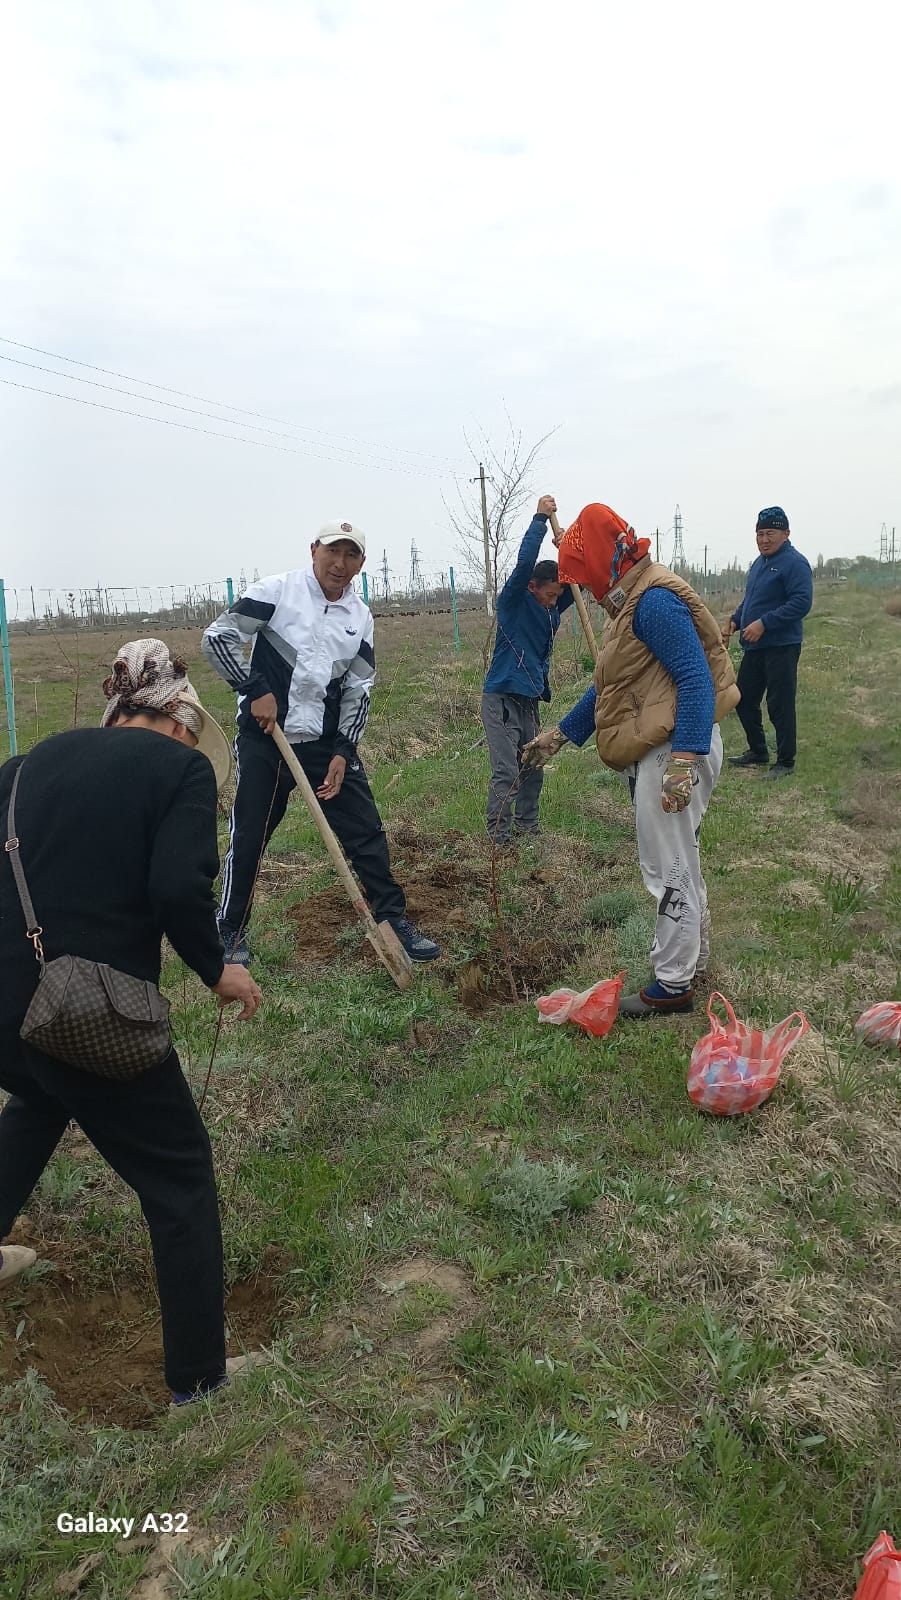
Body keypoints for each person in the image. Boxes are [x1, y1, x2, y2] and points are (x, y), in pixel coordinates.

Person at [0, 640, 262, 1407]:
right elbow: (178, 887)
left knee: (43, 1099)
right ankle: (199, 1382)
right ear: (181, 721)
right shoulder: (177, 770)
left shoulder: (21, 768)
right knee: (178, 1176)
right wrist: (216, 968)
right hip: (85, 1011)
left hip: (7, 1012)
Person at [522, 504, 739, 1017]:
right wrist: (560, 735)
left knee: (667, 869)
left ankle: (672, 984)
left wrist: (684, 761)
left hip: (673, 750)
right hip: (669, 747)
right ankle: (693, 962)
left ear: (602, 555)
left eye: (583, 566)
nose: (585, 584)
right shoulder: (633, 602)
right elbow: (610, 687)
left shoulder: (653, 604)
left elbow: (694, 679)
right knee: (681, 860)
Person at [202, 523, 439, 964]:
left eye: (351, 555)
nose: (340, 563)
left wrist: (343, 752)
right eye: (333, 551)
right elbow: (217, 637)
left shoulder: (359, 617)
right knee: (250, 835)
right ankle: (231, 930)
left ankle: (392, 922)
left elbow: (359, 688)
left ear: (361, 564)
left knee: (366, 833)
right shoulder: (277, 592)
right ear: (314, 550)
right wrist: (255, 689)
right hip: (267, 741)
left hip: (324, 747)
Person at [481, 494, 575, 845]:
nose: (553, 603)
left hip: (528, 702)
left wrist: (567, 550)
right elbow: (524, 565)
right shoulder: (514, 601)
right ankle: (499, 841)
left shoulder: (550, 610)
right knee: (507, 771)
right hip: (501, 698)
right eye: (548, 595)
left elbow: (575, 581)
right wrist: (539, 521)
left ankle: (528, 829)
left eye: (556, 597)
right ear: (533, 587)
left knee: (533, 766)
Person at [722, 506, 813, 780]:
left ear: (786, 533)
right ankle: (758, 751)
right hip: (755, 648)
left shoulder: (795, 563)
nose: (764, 539)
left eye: (770, 533)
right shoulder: (759, 564)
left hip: (781, 646)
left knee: (779, 703)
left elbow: (801, 603)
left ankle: (785, 761)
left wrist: (764, 623)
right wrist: (736, 620)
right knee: (743, 699)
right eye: (760, 534)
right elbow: (751, 601)